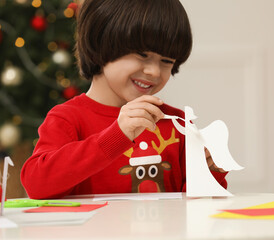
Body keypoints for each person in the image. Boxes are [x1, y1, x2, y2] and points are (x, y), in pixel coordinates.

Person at [21, 0, 228, 199]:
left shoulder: (177, 122)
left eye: (167, 61)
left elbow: (196, 206)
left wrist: (211, 170)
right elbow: (36, 185)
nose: (154, 71)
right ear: (101, 43)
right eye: (142, 55)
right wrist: (116, 136)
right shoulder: (67, 118)